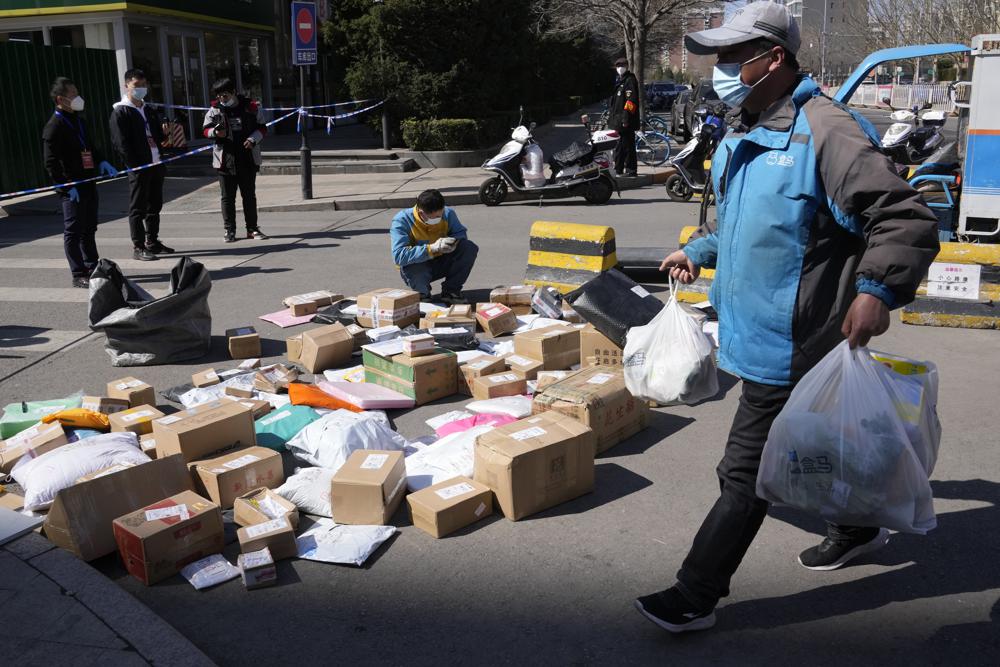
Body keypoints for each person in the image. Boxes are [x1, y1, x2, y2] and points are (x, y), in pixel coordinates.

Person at [635, 1, 940, 634]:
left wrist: (877, 291)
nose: (718, 68)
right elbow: (746, 223)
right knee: (818, 442)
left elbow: (903, 216)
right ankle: (856, 526)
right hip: (751, 330)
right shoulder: (742, 127)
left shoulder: (827, 130)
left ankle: (696, 594)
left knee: (743, 470)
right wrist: (697, 250)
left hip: (797, 338)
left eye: (729, 57)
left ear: (772, 59)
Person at [42, 77, 118, 288]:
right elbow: (50, 162)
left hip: (88, 180)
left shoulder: (78, 120)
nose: (78, 98)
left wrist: (102, 160)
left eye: (77, 93)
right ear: (60, 99)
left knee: (89, 227)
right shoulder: (54, 126)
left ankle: (92, 265)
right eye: (73, 95)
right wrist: (66, 186)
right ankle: (78, 273)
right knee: (73, 230)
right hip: (71, 186)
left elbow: (90, 146)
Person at [110, 68, 173, 261]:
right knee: (138, 207)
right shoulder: (121, 112)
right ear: (126, 86)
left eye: (143, 85)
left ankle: (152, 241)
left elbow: (157, 136)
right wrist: (134, 165)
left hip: (156, 162)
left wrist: (165, 133)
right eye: (137, 86)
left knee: (155, 205)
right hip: (139, 167)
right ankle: (138, 246)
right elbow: (121, 143)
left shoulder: (148, 109)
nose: (141, 89)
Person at [202, 78, 269, 243]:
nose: (222, 99)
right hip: (225, 159)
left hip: (247, 157)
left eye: (225, 95)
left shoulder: (251, 106)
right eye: (219, 97)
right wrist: (215, 134)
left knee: (249, 196)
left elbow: (262, 127)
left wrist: (253, 139)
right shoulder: (214, 110)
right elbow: (205, 130)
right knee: (227, 197)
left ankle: (252, 229)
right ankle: (229, 230)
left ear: (233, 92)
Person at [390, 189, 478, 304]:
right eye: (434, 217)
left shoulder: (448, 213)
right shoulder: (402, 220)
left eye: (440, 215)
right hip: (417, 267)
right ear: (421, 213)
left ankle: (451, 292)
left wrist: (453, 242)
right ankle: (423, 294)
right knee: (413, 266)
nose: (438, 220)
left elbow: (460, 234)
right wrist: (431, 249)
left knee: (468, 248)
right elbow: (399, 256)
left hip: (441, 261)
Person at [609, 56, 639, 177]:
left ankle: (631, 170)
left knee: (628, 146)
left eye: (622, 66)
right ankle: (618, 169)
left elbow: (630, 102)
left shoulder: (629, 80)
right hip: (618, 120)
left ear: (626, 67)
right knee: (619, 146)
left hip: (626, 121)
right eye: (618, 66)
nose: (620, 68)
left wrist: (626, 118)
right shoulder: (620, 80)